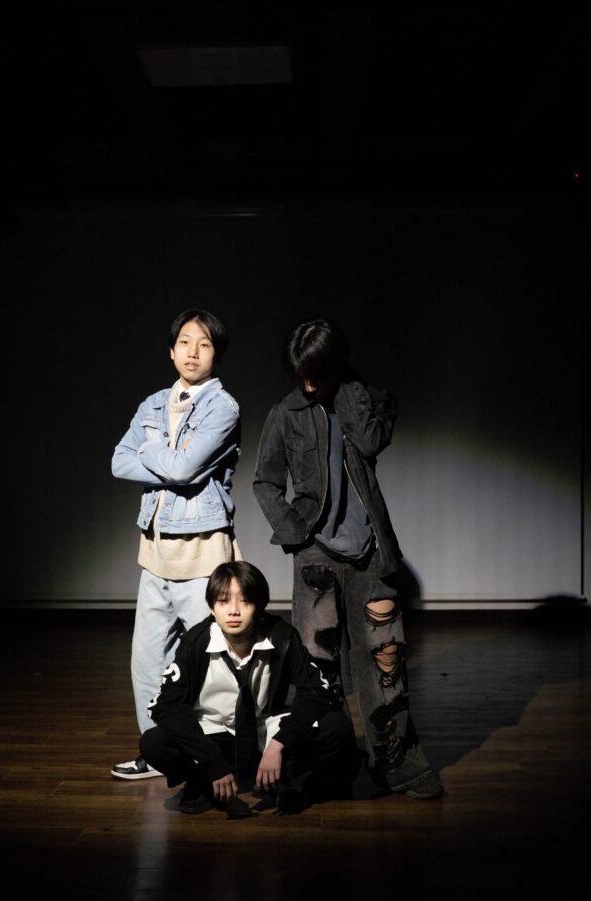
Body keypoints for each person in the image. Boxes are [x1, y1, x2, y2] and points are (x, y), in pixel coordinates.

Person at [253, 317, 443, 798]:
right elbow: (265, 482)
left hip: (372, 553)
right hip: (315, 555)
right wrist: (296, 536)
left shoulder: (368, 400)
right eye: (301, 375)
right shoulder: (285, 413)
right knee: (318, 666)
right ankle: (330, 764)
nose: (308, 385)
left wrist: (349, 391)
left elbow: (372, 441)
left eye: (317, 374)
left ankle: (395, 763)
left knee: (385, 659)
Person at [111, 309, 241, 780]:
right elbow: (118, 462)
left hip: (202, 554)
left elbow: (184, 470)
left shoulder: (222, 408)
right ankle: (158, 753)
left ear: (216, 354)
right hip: (155, 553)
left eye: (204, 344)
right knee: (148, 664)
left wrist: (150, 451)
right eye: (184, 342)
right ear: (171, 350)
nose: (192, 352)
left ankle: (218, 754)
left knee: (214, 666)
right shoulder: (152, 404)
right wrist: (167, 458)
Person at [140, 561, 358, 816]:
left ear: (260, 606)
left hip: (262, 729)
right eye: (223, 602)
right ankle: (204, 784)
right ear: (211, 607)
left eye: (244, 601)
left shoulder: (282, 635)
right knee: (154, 743)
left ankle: (289, 782)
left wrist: (279, 743)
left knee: (337, 726)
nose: (233, 611)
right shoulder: (195, 642)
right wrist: (211, 760)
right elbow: (166, 707)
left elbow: (317, 691)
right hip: (212, 731)